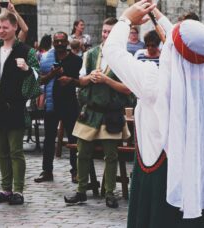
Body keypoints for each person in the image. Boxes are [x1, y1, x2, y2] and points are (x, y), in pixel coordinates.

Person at [103, 1, 204, 226]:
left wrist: (126, 18)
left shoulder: (153, 81)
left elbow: (112, 51)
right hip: (191, 175)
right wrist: (156, 13)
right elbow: (186, 47)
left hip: (157, 177)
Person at [64, 17, 131, 208]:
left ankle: (110, 193)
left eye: (110, 32)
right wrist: (89, 77)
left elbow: (128, 89)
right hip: (91, 111)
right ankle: (81, 192)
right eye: (104, 31)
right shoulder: (91, 54)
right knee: (82, 152)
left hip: (111, 113)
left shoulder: (124, 57)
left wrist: (106, 80)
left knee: (111, 155)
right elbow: (80, 81)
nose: (106, 35)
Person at [0, 10, 40, 205]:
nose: (1, 31)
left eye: (5, 27)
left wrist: (27, 69)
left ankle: (18, 191)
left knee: (16, 151)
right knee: (2, 151)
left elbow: (37, 79)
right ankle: (5, 189)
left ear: (15, 27)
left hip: (15, 108)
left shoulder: (26, 51)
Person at [34, 32, 82, 184]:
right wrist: (52, 74)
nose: (60, 44)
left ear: (67, 42)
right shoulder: (47, 59)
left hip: (69, 104)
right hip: (52, 105)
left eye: (62, 41)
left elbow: (80, 82)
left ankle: (75, 171)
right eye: (57, 41)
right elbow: (40, 81)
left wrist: (69, 79)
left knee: (73, 139)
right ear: (53, 43)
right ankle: (47, 171)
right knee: (49, 139)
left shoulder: (76, 60)